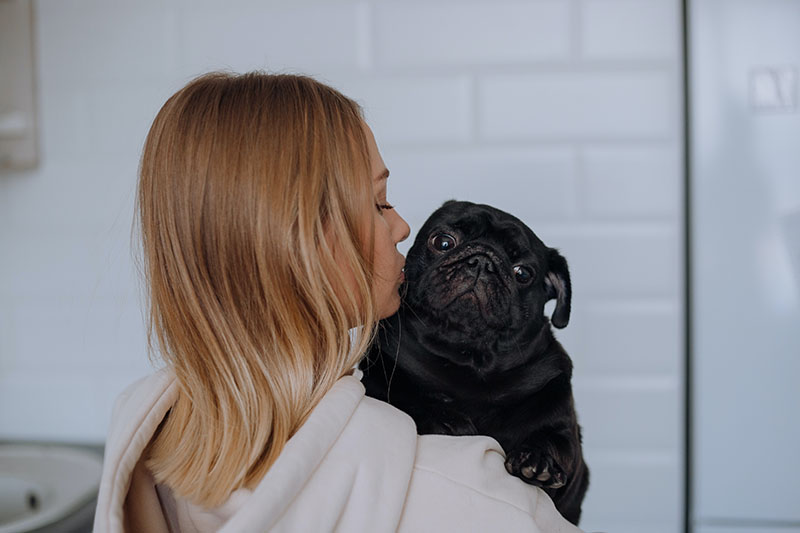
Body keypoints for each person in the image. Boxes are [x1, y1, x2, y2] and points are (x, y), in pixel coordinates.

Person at [93, 71, 583, 532]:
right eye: (378, 203)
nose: (402, 228)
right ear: (299, 242)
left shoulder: (145, 442)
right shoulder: (480, 499)